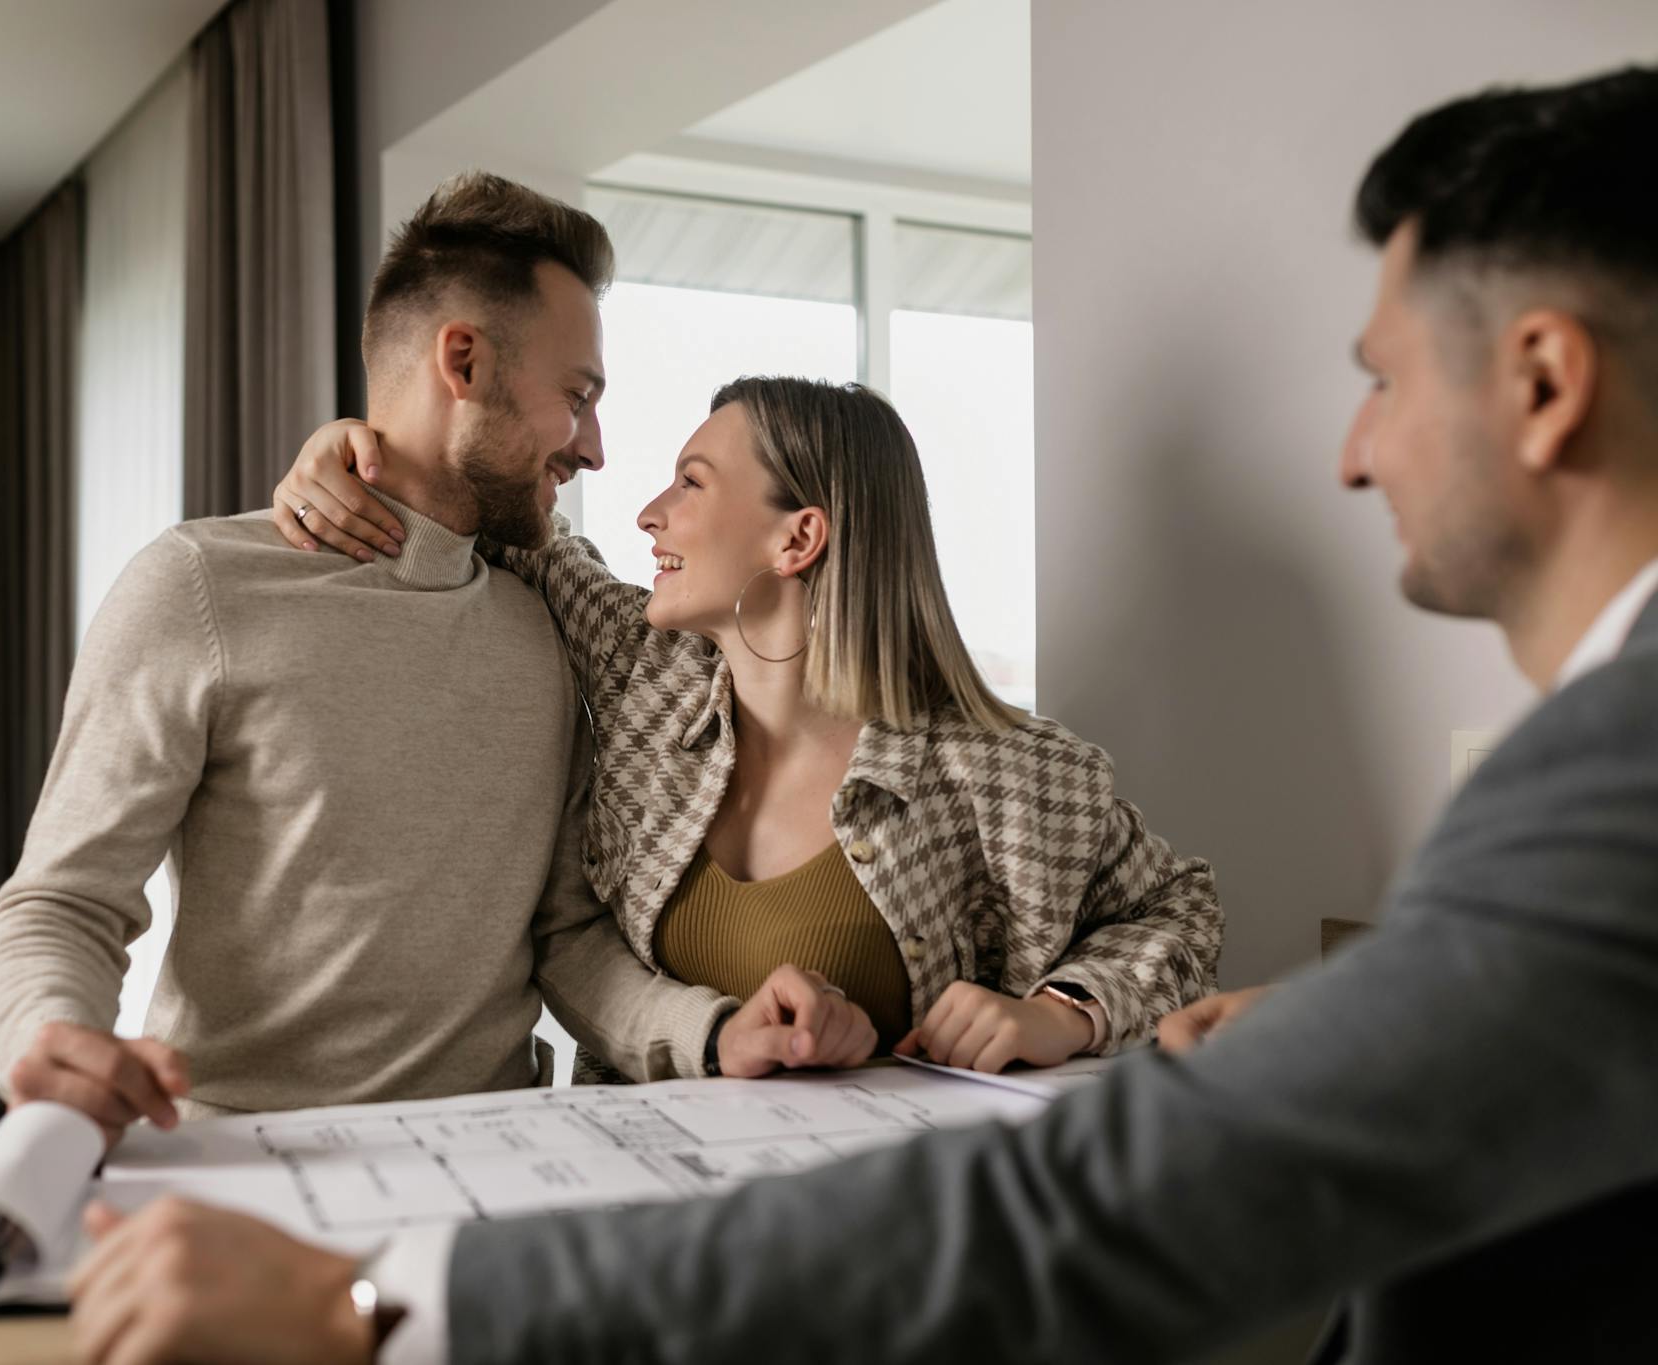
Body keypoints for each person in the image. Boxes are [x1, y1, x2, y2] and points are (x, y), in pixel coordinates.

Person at [66, 65, 1658, 1365]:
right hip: (610, 1199)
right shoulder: (624, 671)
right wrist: (353, 447)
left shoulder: (1595, 788)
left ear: (1542, 379)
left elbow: (1116, 1185)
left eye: (1381, 379)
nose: (1352, 456)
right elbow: (490, 501)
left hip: (793, 1270)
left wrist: (380, 1309)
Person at [0, 172, 758, 1140]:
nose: (594, 448)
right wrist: (45, 1035)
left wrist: (715, 1033)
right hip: (246, 1157)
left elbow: (562, 936)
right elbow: (61, 901)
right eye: (577, 395)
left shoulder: (545, 614)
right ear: (462, 362)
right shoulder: (197, 588)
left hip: (507, 1154)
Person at [272, 379, 1222, 1081]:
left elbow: (1179, 911)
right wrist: (359, 452)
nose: (651, 513)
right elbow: (521, 533)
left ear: (796, 539)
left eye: (689, 482)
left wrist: (1064, 1013)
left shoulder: (1002, 769)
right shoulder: (643, 674)